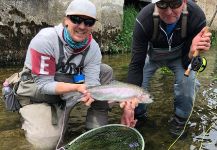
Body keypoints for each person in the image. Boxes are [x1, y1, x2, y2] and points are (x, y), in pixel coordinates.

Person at [13, 0, 137, 149]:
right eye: (76, 19)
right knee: (47, 143)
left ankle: (94, 131)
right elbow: (43, 85)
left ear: (93, 25)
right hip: (38, 93)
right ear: (66, 20)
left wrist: (118, 99)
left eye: (89, 22)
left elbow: (91, 85)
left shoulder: (93, 49)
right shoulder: (45, 40)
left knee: (105, 72)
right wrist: (76, 88)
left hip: (70, 89)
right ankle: (31, 114)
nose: (82, 26)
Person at [127, 0, 211, 137]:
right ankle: (139, 116)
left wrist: (192, 53)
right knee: (137, 85)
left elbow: (187, 63)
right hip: (152, 56)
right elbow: (136, 64)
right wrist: (129, 104)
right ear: (155, 4)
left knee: (187, 80)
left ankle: (180, 120)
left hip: (181, 56)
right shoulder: (144, 18)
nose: (168, 12)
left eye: (175, 3)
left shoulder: (196, 17)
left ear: (184, 1)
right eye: (162, 5)